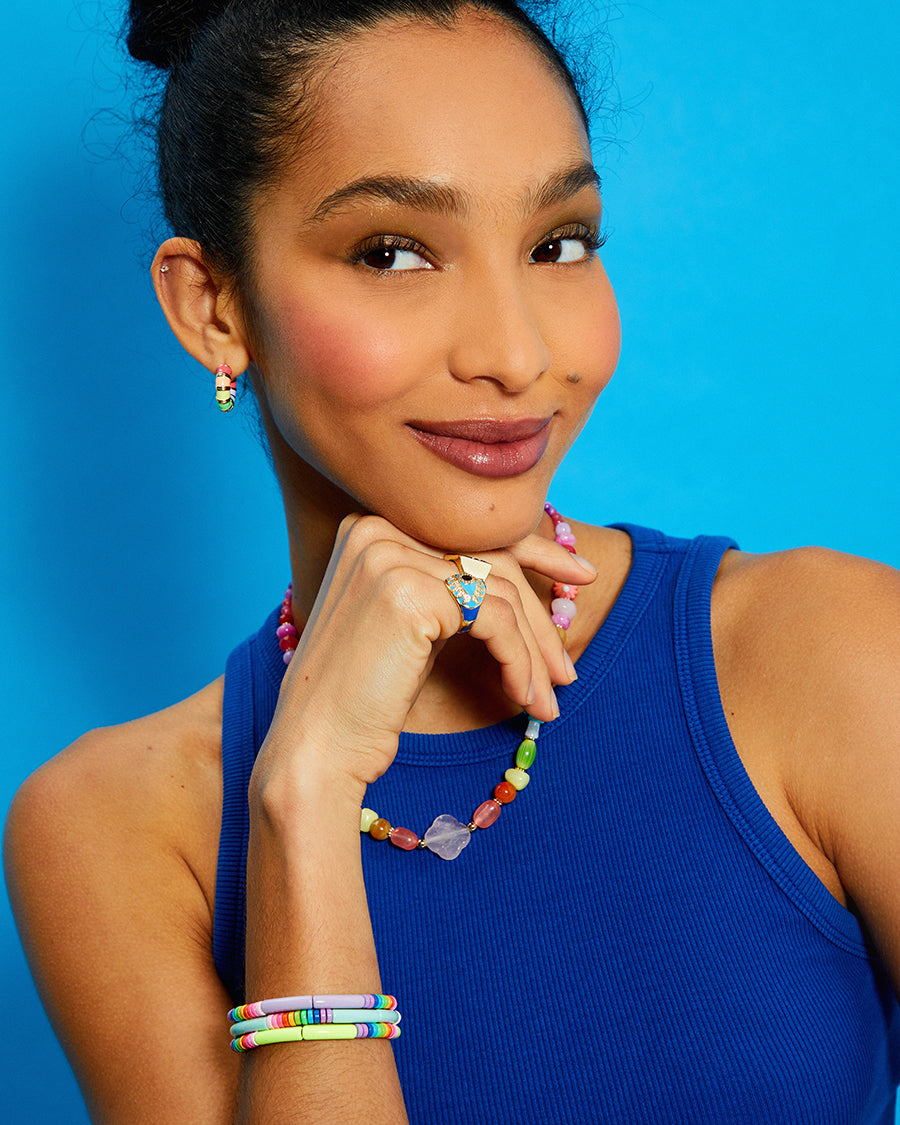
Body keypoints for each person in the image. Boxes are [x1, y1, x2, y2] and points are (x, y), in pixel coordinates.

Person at [4, 0, 900, 1121]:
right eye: (392, 253)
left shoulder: (834, 657)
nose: (515, 354)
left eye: (558, 244)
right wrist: (306, 789)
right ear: (215, 308)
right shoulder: (115, 826)